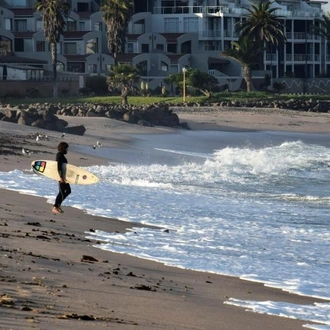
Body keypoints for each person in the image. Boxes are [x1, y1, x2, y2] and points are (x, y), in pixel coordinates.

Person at [52, 142, 71, 214]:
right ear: (63, 148)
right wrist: (60, 177)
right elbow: (58, 166)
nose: (67, 150)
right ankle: (55, 207)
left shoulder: (61, 155)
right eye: (66, 148)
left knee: (68, 191)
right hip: (61, 177)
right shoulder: (59, 155)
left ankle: (57, 206)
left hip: (64, 176)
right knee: (62, 192)